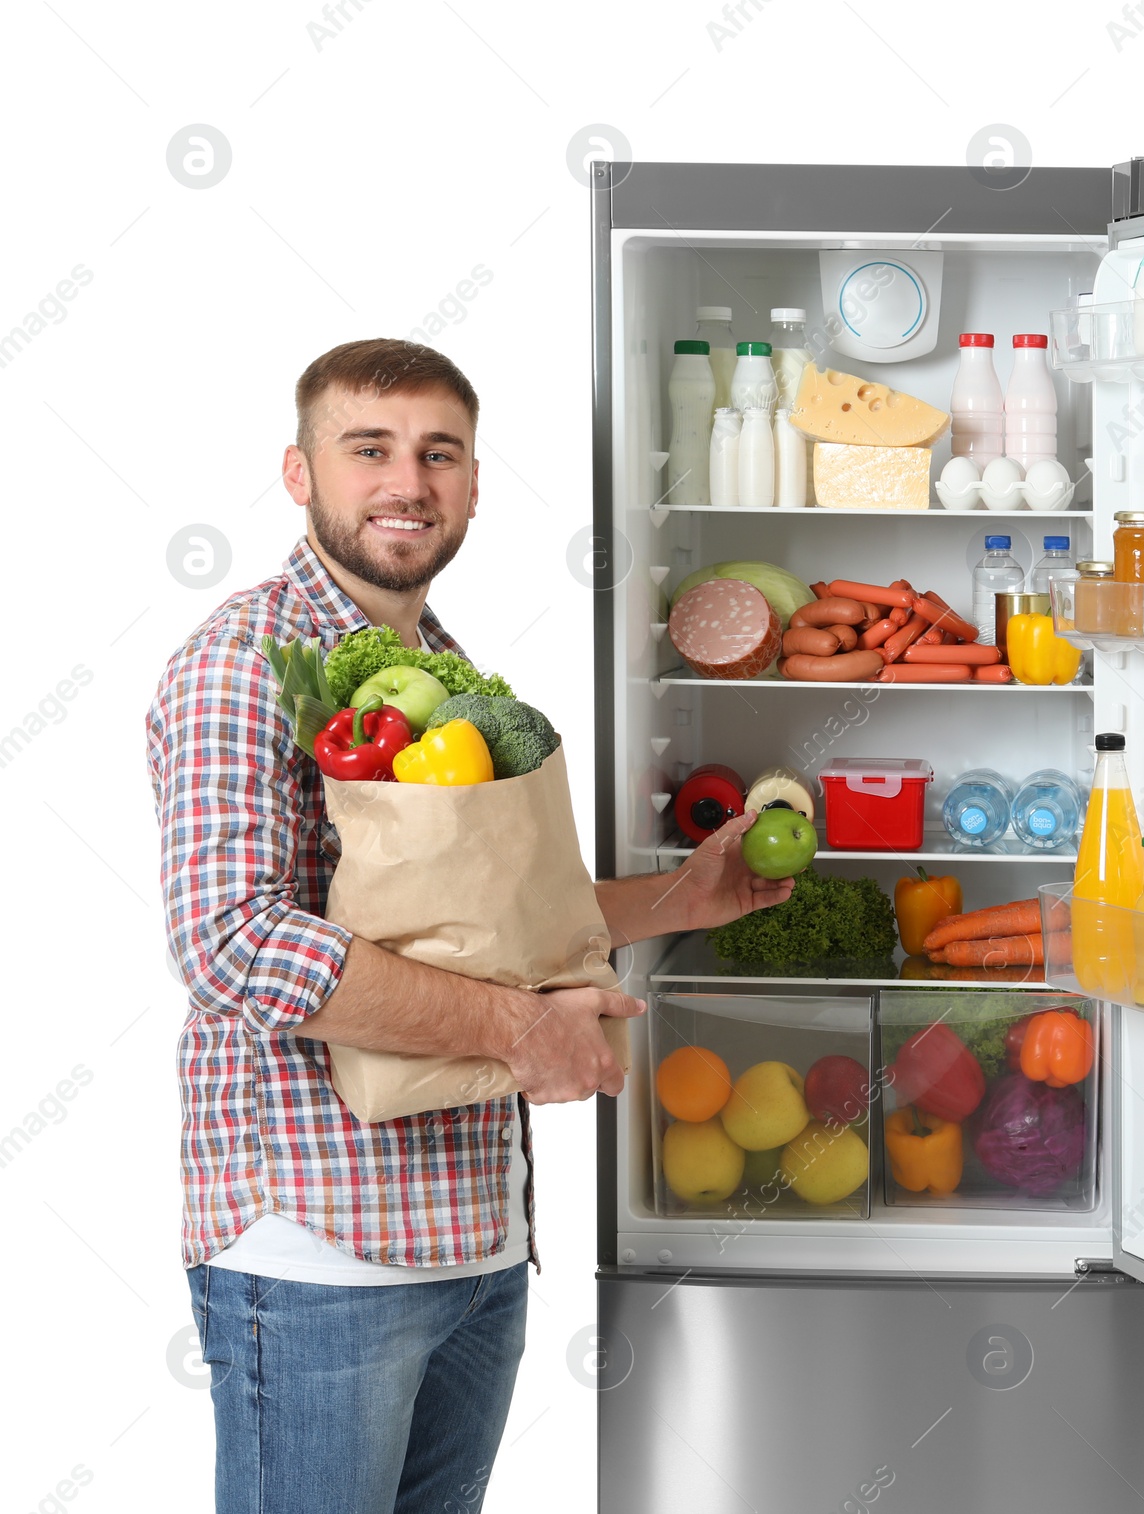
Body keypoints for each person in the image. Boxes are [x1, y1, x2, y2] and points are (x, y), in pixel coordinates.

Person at [146, 338, 792, 1513]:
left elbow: (492, 922)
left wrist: (678, 900)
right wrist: (519, 1032)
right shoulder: (240, 665)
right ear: (298, 473)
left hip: (477, 1242)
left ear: (476, 482)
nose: (409, 481)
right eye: (370, 449)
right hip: (318, 1248)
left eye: (439, 453)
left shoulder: (446, 672)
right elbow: (231, 936)